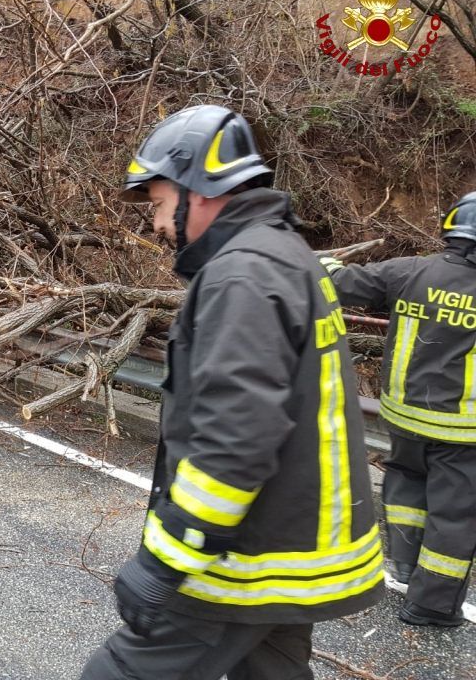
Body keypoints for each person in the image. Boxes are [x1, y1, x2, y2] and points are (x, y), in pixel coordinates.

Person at [81, 105, 383, 680]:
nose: (157, 223)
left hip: (245, 558)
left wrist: (165, 559)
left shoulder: (242, 275)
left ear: (201, 188)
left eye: (161, 202)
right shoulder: (287, 256)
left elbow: (235, 437)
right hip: (293, 545)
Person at [321, 191, 476, 627]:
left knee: (407, 489)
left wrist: (320, 262)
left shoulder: (409, 271)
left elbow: (338, 281)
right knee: (454, 518)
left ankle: (405, 569)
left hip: (402, 418)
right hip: (461, 432)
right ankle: (430, 606)